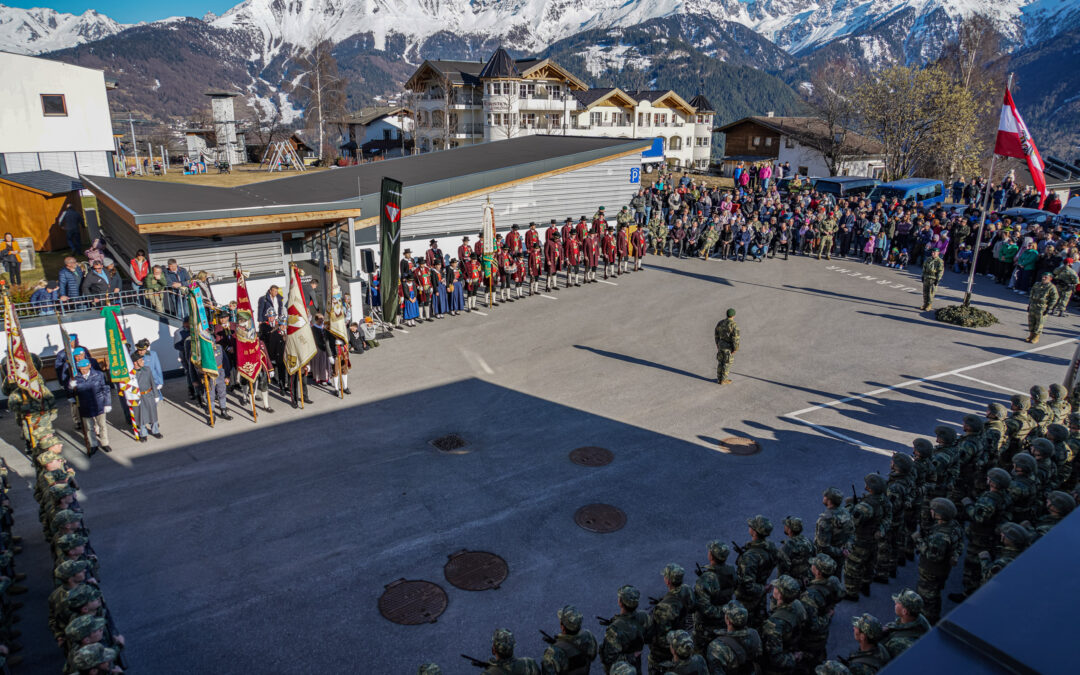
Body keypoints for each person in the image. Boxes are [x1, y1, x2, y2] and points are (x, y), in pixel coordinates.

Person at [913, 497, 961, 624]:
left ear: (939, 514)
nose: (931, 511)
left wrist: (918, 541)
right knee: (935, 595)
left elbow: (933, 556)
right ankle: (934, 617)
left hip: (931, 571)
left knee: (926, 598)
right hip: (942, 570)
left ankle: (925, 623)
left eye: (933, 510)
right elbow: (958, 544)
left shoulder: (940, 536)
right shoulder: (954, 526)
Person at [599, 585, 650, 672]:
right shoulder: (644, 616)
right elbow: (650, 636)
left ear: (620, 603)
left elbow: (609, 658)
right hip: (636, 666)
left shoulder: (614, 629)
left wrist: (632, 656)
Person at [71, 358, 111, 456]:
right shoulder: (76, 378)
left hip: (99, 403)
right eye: (81, 369)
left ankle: (105, 443)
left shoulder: (98, 374)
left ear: (89, 366)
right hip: (85, 405)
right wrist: (71, 389)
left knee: (102, 425)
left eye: (85, 368)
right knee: (89, 427)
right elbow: (72, 392)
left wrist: (107, 403)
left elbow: (105, 389)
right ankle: (93, 444)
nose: (83, 370)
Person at [540, 605, 597, 674]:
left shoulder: (552, 653)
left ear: (562, 627)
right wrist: (560, 643)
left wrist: (557, 647)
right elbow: (592, 656)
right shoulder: (588, 636)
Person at [130, 353, 161, 441]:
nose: (143, 361)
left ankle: (155, 430)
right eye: (140, 360)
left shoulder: (147, 369)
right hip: (138, 397)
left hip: (148, 395)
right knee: (140, 415)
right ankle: (143, 433)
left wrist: (156, 395)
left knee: (152, 413)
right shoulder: (131, 374)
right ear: (135, 363)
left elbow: (152, 383)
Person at [1025, 271, 1058, 343]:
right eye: (1043, 276)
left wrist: (1049, 308)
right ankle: (1031, 335)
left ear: (1050, 278)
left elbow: (1054, 298)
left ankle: (1036, 337)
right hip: (1033, 305)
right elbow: (1032, 294)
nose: (1043, 278)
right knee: (1031, 321)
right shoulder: (1037, 284)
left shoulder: (1052, 287)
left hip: (1042, 307)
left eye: (1046, 277)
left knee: (1039, 322)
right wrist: (1029, 304)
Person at [715, 308, 739, 385]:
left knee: (720, 362)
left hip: (721, 344)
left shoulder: (720, 322)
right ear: (733, 315)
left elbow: (716, 333)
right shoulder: (733, 325)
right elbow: (735, 338)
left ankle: (719, 378)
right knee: (727, 363)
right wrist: (735, 348)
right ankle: (723, 380)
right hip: (728, 346)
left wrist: (717, 343)